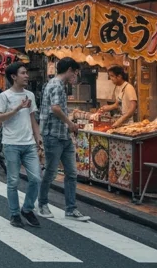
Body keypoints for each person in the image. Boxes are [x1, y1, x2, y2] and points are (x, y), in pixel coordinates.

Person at [37, 58, 90, 222]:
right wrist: (71, 124)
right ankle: (43, 203)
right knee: (51, 172)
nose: (75, 75)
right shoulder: (57, 85)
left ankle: (71, 208)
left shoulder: (54, 84)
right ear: (69, 70)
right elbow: (55, 108)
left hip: (62, 135)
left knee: (71, 173)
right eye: (75, 72)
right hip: (53, 135)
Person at [0, 62, 43, 228]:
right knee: (13, 181)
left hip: (29, 143)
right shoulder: (5, 96)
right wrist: (17, 108)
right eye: (23, 73)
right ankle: (15, 213)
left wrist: (38, 137)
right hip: (11, 144)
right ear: (13, 77)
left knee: (36, 178)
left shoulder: (30, 95)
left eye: (26, 73)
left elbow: (32, 118)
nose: (26, 76)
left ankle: (27, 209)